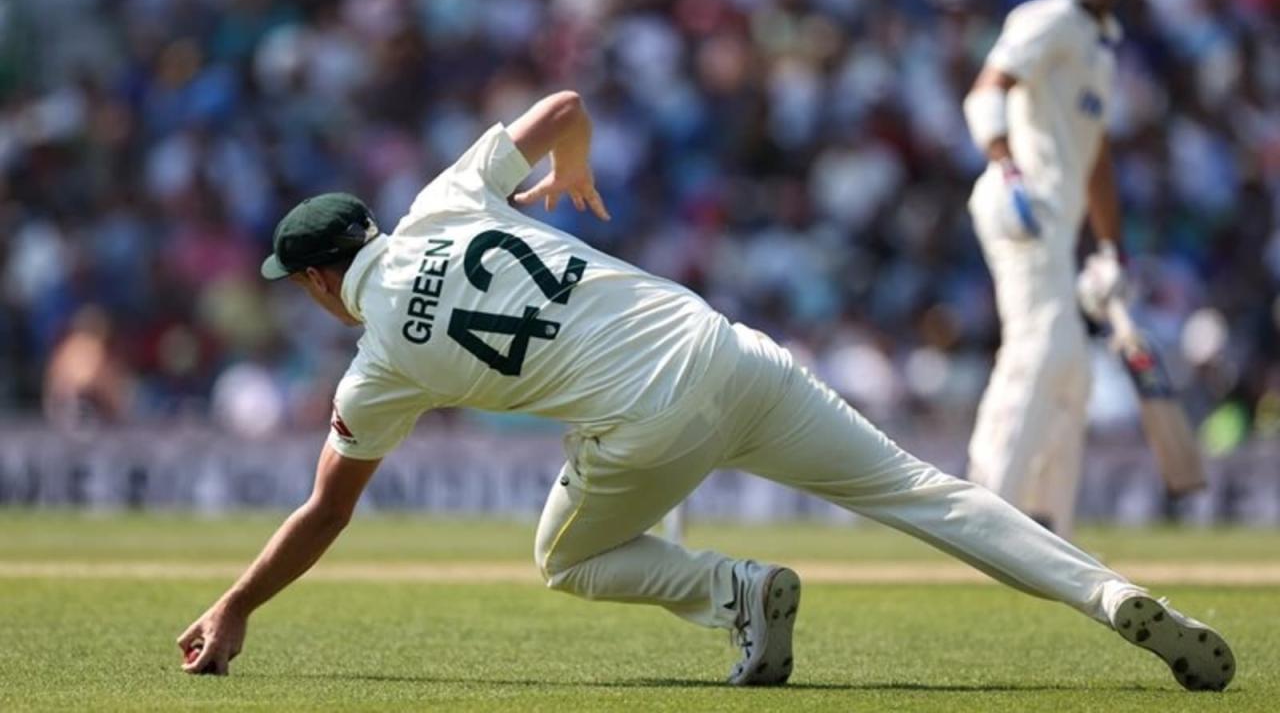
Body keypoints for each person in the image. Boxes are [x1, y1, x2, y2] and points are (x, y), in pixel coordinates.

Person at [177, 90, 1233, 691]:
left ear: (320, 279)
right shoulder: (441, 203)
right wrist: (573, 169)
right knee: (924, 491)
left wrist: (233, 605)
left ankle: (730, 591)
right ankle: (1106, 594)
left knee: (565, 555)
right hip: (729, 349)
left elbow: (326, 510)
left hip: (645, 424)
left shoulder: (377, 367)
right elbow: (564, 105)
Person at [963, 0, 1129, 539]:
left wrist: (1109, 250)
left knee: (1073, 370)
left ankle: (1044, 525)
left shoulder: (1103, 43)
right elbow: (986, 90)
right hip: (1022, 207)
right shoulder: (1050, 17)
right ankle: (985, 512)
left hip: (1057, 225)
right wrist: (1008, 169)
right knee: (1043, 344)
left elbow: (1096, 156)